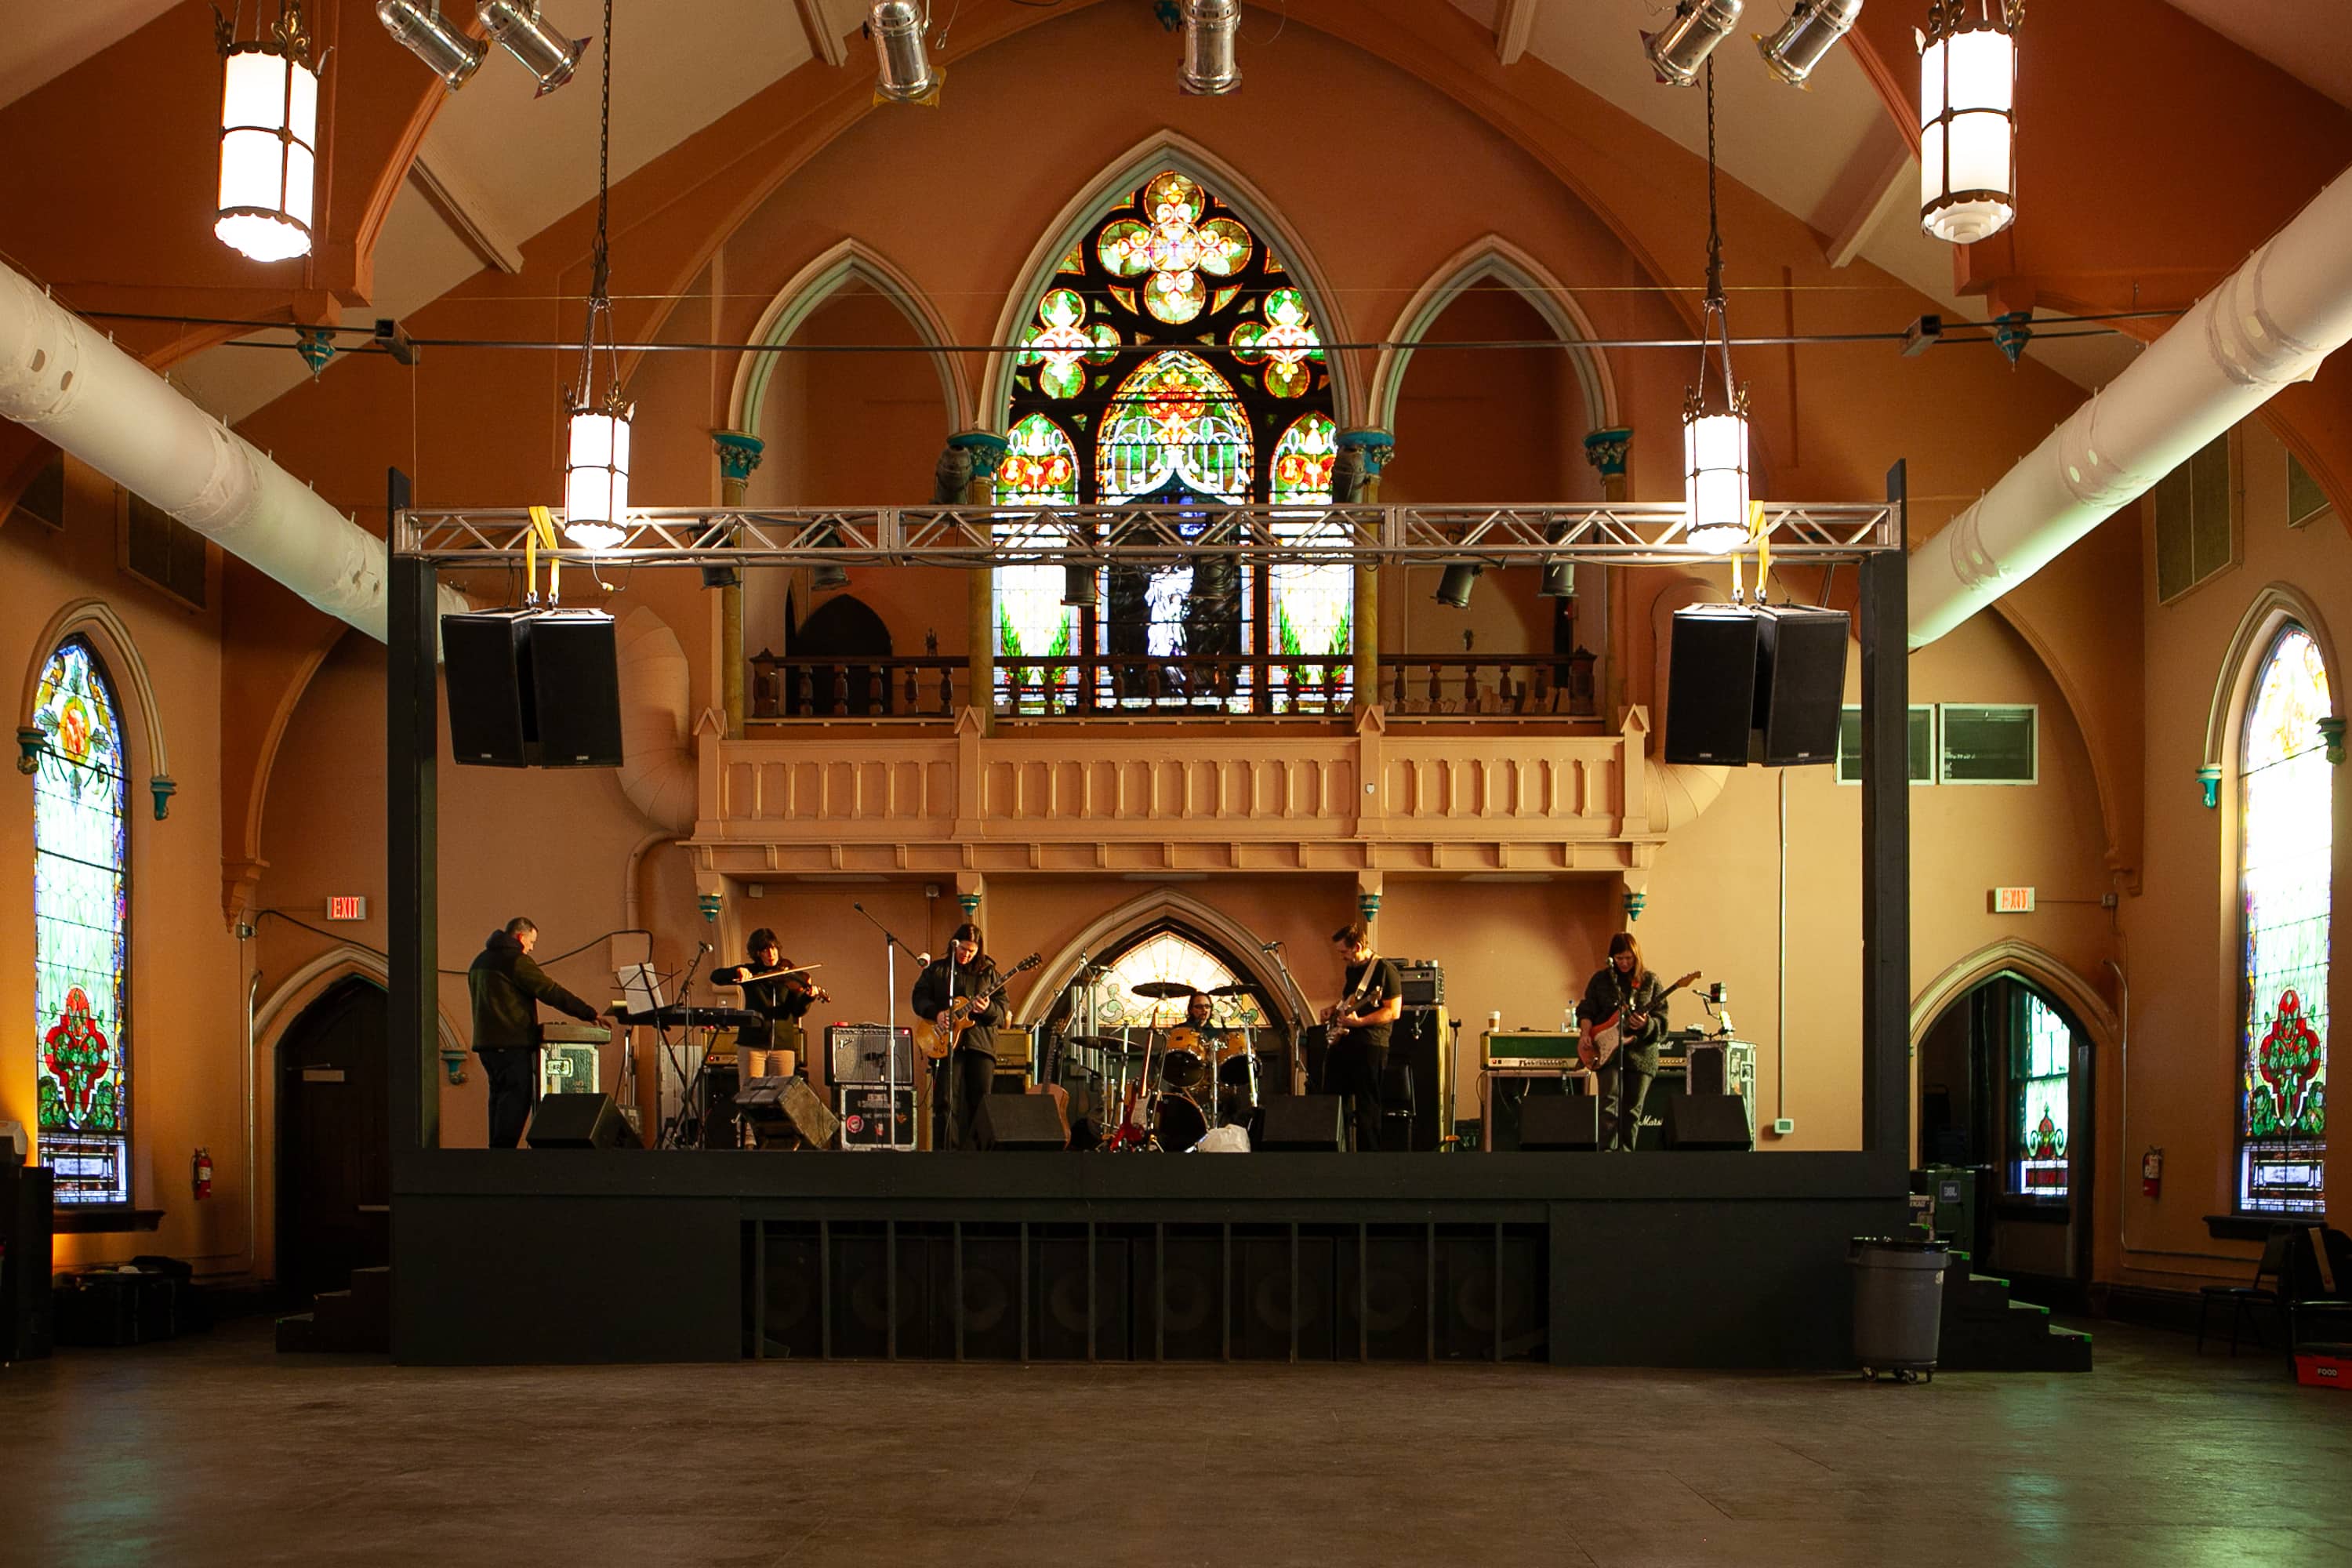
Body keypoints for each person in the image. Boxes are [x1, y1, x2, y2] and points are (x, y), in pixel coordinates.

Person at [467, 916, 604, 1149]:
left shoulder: (479, 962)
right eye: (531, 942)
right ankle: (504, 1161)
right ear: (520, 937)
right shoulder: (516, 961)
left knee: (498, 1101)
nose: (531, 948)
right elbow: (549, 991)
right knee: (516, 1102)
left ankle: (494, 1157)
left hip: (486, 1046)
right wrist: (588, 1013)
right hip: (512, 1044)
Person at [911, 922, 1004, 1150]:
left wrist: (988, 1008)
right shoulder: (937, 970)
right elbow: (919, 997)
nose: (966, 955)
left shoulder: (989, 973)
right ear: (954, 946)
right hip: (945, 1045)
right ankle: (946, 1152)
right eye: (962, 949)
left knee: (981, 1101)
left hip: (980, 1045)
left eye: (971, 951)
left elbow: (1001, 1013)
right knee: (944, 1101)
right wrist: (936, 1013)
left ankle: (977, 1154)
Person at [1577, 931, 1671, 1152]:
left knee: (1632, 1111)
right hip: (1607, 1053)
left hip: (1641, 1057)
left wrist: (1645, 1025)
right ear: (1612, 958)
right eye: (1619, 959)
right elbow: (1586, 1010)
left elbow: (1663, 1025)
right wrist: (1585, 1034)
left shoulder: (1650, 981)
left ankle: (1627, 1157)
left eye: (1629, 958)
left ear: (1636, 957)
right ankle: (1606, 1155)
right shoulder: (1601, 980)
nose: (1625, 963)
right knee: (1609, 1106)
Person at [1322, 920, 1402, 1152]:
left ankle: (1370, 1160)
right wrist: (1333, 1010)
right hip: (1345, 1042)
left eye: (1344, 952)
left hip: (1370, 1044)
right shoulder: (1353, 970)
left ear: (1357, 947)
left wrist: (1360, 1022)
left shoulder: (1385, 970)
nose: (1342, 957)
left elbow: (1393, 1011)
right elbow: (1348, 1000)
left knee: (1368, 1105)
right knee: (1334, 1100)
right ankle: (1336, 1153)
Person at [711, 927, 826, 1080]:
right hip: (752, 1045)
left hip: (783, 1046)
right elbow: (716, 976)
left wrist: (807, 998)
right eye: (764, 950)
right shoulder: (751, 972)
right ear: (757, 953)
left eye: (773, 948)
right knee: (750, 1093)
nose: (771, 954)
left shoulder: (791, 974)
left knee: (781, 1097)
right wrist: (737, 972)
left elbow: (796, 1011)